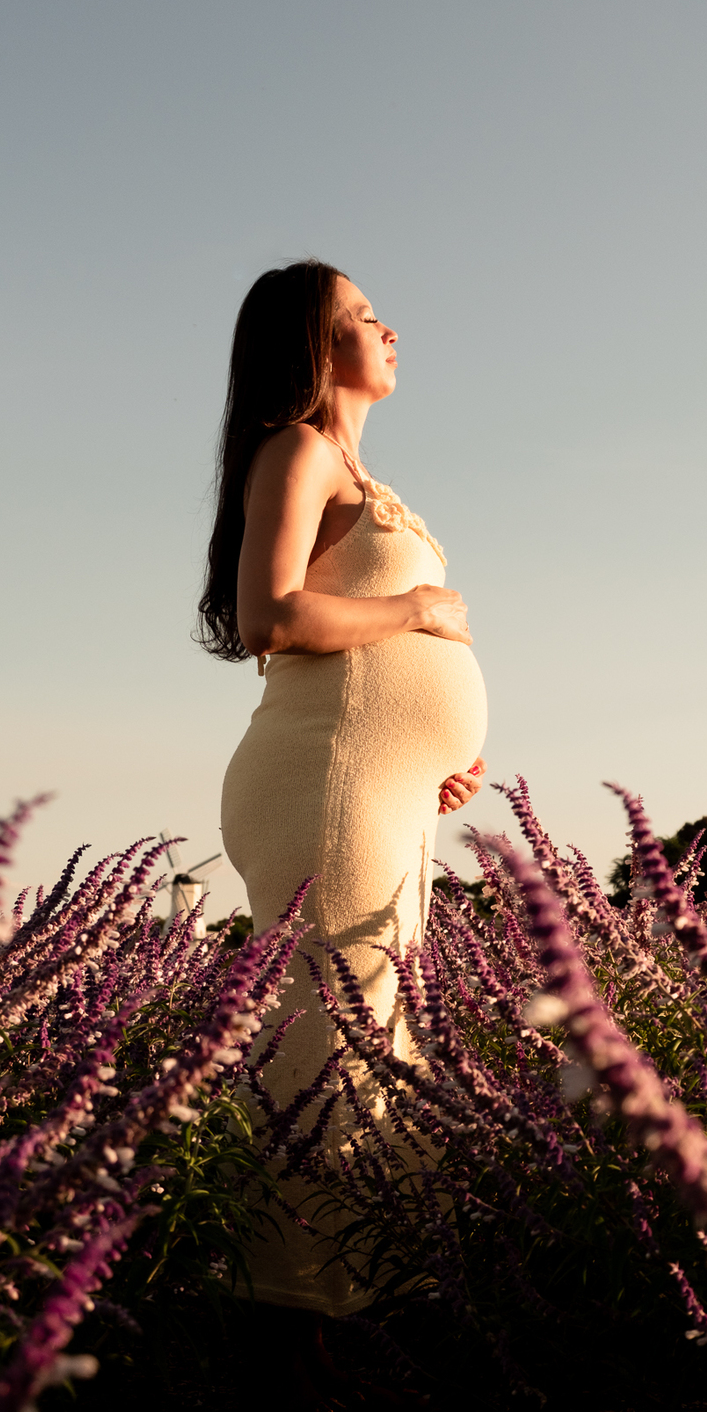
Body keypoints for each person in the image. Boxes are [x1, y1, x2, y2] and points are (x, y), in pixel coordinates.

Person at [197, 258, 487, 1315]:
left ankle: (364, 1319)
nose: (390, 327)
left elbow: (370, 665)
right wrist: (415, 613)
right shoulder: (300, 450)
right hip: (325, 783)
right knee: (329, 1050)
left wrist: (437, 754)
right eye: (364, 317)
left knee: (382, 1045)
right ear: (318, 354)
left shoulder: (362, 478)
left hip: (382, 789)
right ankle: (292, 1329)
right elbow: (269, 617)